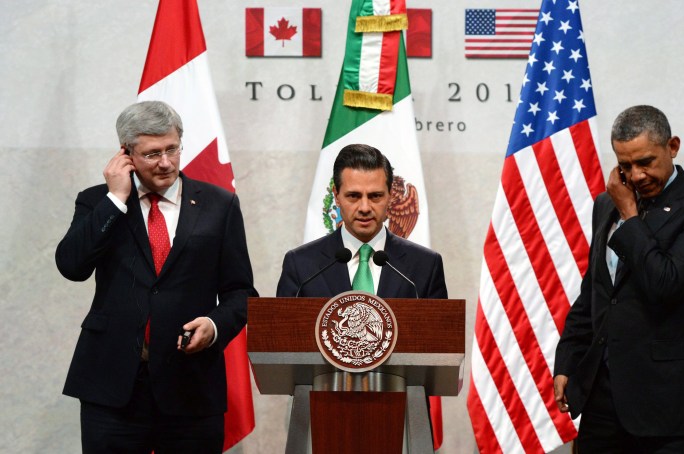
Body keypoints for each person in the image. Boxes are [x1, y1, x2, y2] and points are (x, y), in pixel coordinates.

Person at [56, 100, 257, 453]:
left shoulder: (219, 205)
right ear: (126, 153)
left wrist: (213, 326)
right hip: (113, 385)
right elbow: (72, 266)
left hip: (190, 385)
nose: (166, 163)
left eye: (172, 149)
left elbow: (241, 291)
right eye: (151, 154)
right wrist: (117, 199)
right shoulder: (96, 202)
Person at [553, 105, 684, 453]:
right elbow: (595, 291)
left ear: (673, 146)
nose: (636, 176)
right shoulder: (605, 205)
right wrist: (568, 360)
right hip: (602, 402)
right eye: (625, 165)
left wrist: (630, 216)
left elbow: (665, 283)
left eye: (646, 162)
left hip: (671, 407)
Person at [276, 143, 447, 300]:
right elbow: (282, 330)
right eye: (353, 196)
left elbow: (440, 332)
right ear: (336, 196)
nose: (365, 208)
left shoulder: (425, 266)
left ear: (390, 196)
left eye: (375, 196)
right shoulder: (301, 265)